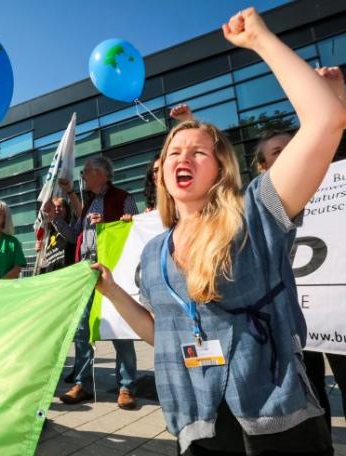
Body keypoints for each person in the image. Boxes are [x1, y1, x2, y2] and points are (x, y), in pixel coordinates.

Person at [92, 10, 346, 454]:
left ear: (222, 167)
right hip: (197, 424)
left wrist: (262, 40)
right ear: (161, 171)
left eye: (197, 152)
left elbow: (326, 120)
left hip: (277, 421)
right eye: (173, 152)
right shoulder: (154, 254)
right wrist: (112, 292)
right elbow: (161, 333)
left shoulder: (256, 212)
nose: (181, 158)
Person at [251, 66, 346, 431]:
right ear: (262, 166)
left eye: (293, 146)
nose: (289, 154)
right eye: (277, 152)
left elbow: (330, 133)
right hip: (291, 314)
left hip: (335, 311)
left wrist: (336, 94)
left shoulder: (333, 178)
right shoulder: (260, 203)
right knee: (311, 392)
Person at [55, 156, 139, 409]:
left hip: (111, 272)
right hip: (86, 270)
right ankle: (81, 383)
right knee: (82, 330)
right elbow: (73, 235)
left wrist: (109, 226)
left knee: (118, 329)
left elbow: (134, 232)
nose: (84, 176)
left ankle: (126, 386)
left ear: (103, 174)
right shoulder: (89, 202)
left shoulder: (124, 198)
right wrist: (55, 220)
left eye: (88, 172)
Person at [36, 197, 76, 274]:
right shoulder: (48, 232)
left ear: (66, 210)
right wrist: (39, 247)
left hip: (65, 274)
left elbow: (72, 238)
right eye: (54, 207)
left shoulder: (71, 227)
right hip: (49, 275)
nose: (56, 209)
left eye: (59, 206)